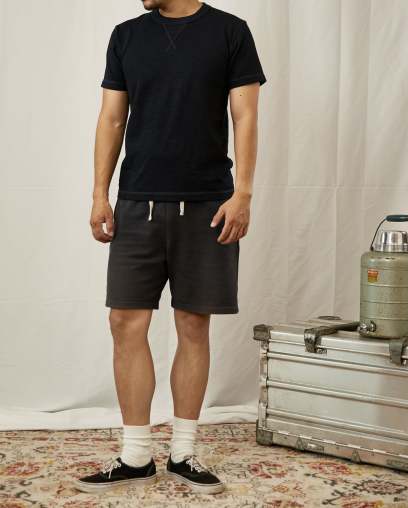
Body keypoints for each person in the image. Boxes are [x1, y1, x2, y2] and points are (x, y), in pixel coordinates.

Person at [75, 0, 266, 495]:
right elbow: (111, 119)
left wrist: (243, 193)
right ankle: (136, 454)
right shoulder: (126, 35)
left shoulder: (230, 32)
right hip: (137, 202)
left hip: (208, 205)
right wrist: (99, 193)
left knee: (193, 324)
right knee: (124, 322)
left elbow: (245, 115)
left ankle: (184, 452)